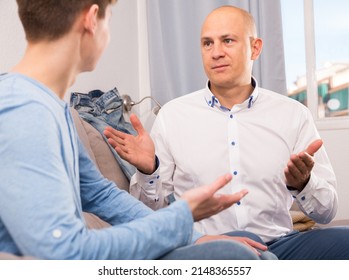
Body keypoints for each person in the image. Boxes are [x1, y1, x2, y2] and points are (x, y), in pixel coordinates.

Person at [0, 0, 277, 260]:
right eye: (109, 19)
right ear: (91, 20)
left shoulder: (52, 107)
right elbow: (65, 254)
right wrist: (180, 217)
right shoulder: (23, 110)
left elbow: (100, 195)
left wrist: (193, 237)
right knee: (235, 256)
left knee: (246, 246)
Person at [104, 5, 349, 259]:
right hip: (213, 246)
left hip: (280, 244)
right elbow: (150, 215)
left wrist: (304, 184)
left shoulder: (294, 115)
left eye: (227, 41)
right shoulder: (173, 116)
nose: (216, 52)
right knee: (245, 251)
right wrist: (148, 171)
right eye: (207, 44)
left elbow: (327, 212)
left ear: (255, 47)